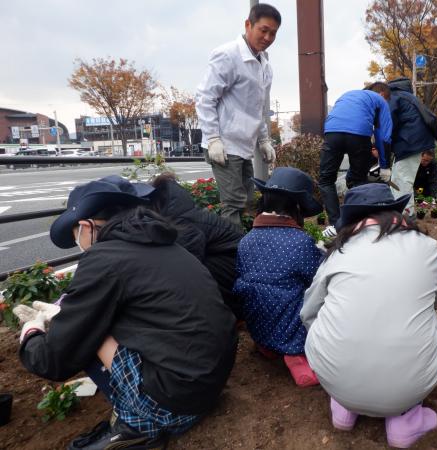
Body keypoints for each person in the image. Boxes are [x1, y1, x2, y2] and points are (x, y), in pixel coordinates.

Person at [16, 178, 238, 449]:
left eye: (76, 233)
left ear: (86, 226)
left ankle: (137, 422)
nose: (79, 241)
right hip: (208, 388)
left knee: (89, 331)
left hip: (176, 407)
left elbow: (54, 361)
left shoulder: (104, 258)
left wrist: (31, 333)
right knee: (92, 320)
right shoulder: (168, 243)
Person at [301, 183, 437, 448]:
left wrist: (332, 343)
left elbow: (309, 312)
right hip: (409, 384)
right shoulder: (427, 246)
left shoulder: (338, 253)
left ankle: (345, 406)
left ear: (352, 220)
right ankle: (404, 420)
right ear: (395, 212)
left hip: (336, 380)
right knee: (431, 327)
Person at [234, 167, 322, 387]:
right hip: (292, 328)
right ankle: (296, 356)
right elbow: (317, 280)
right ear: (297, 208)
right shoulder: (300, 242)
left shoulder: (247, 240)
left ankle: (267, 346)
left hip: (258, 325)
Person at [196, 4, 281, 228]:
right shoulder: (228, 55)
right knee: (232, 203)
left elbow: (259, 107)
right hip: (224, 143)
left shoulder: (265, 65)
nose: (268, 37)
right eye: (263, 30)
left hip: (245, 144)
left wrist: (264, 140)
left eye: (273, 33)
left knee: (248, 200)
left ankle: (246, 245)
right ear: (248, 24)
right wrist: (213, 138)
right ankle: (232, 255)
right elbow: (205, 98)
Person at [146, 173, 244, 319]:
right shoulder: (183, 217)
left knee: (192, 274)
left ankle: (224, 315)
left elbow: (186, 268)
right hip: (238, 270)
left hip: (237, 272)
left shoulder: (182, 225)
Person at [318, 82, 393, 237]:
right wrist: (385, 166)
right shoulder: (380, 101)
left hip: (332, 132)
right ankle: (356, 222)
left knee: (326, 180)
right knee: (359, 180)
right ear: (382, 94)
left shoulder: (347, 95)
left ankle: (335, 224)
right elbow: (383, 136)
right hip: (358, 134)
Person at [387, 77, 436, 214]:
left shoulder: (395, 96)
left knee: (402, 180)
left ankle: (406, 215)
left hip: (409, 142)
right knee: (398, 178)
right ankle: (400, 211)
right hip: (413, 141)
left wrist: (385, 143)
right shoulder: (407, 97)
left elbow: (389, 123)